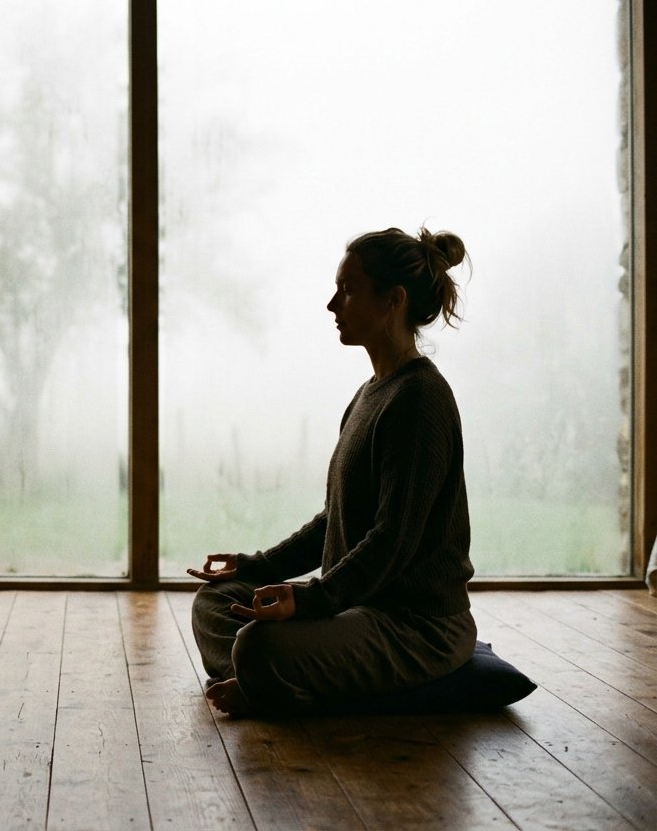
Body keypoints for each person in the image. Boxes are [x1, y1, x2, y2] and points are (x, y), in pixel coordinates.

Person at [188, 226, 476, 717]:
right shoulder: (370, 394)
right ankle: (268, 682)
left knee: (258, 645)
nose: (332, 304)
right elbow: (334, 520)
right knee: (214, 602)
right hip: (356, 607)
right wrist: (255, 567)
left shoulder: (420, 400)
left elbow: (391, 541)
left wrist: (309, 602)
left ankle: (268, 683)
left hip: (416, 628)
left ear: (394, 301)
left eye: (348, 290)